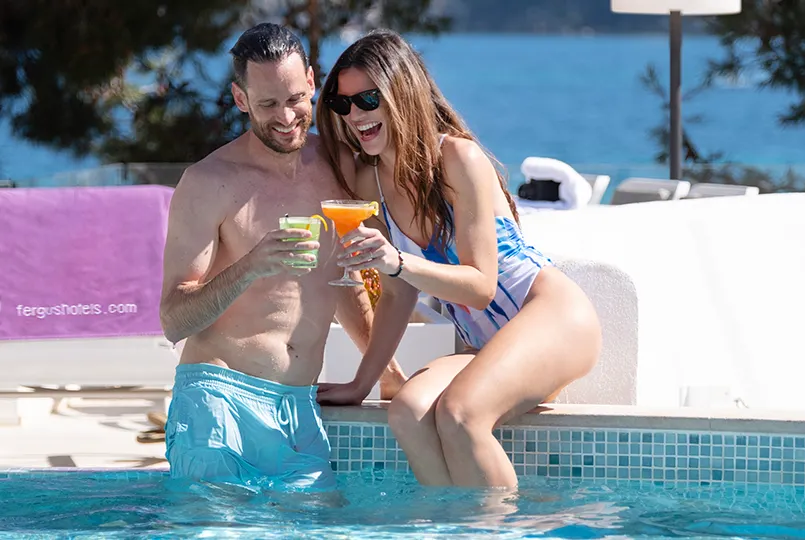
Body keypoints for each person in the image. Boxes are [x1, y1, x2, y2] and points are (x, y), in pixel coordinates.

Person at [314, 29, 603, 489]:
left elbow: (481, 285)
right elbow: (395, 295)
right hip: (487, 346)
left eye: (367, 99)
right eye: (341, 104)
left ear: (400, 92)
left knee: (459, 414)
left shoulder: (457, 158)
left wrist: (398, 262)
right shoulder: (374, 184)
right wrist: (361, 381)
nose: (354, 115)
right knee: (408, 414)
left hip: (552, 319)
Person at [158, 23, 407, 491]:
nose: (287, 116)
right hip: (218, 399)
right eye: (268, 104)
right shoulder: (208, 183)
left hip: (299, 407)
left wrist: (387, 372)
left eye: (295, 98)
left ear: (312, 83)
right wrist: (252, 265)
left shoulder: (338, 167)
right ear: (240, 99)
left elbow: (341, 282)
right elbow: (174, 319)